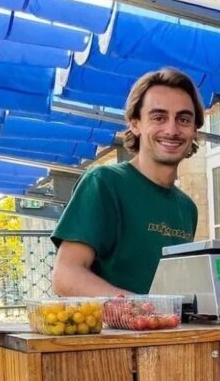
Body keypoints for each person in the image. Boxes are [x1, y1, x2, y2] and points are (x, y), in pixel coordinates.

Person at [51, 68, 203, 296]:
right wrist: (139, 308)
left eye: (183, 119)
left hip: (166, 331)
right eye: (158, 117)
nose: (172, 130)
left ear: (194, 129)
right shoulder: (104, 183)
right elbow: (65, 275)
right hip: (114, 331)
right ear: (135, 124)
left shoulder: (187, 207)